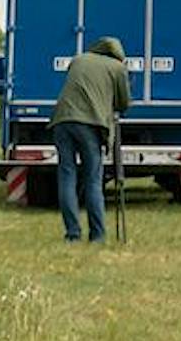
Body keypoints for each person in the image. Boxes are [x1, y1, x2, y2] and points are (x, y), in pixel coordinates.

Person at [49, 36, 131, 243]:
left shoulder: (79, 59)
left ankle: (72, 235)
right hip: (91, 124)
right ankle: (97, 235)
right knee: (93, 179)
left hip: (62, 120)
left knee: (67, 176)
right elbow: (124, 103)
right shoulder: (118, 68)